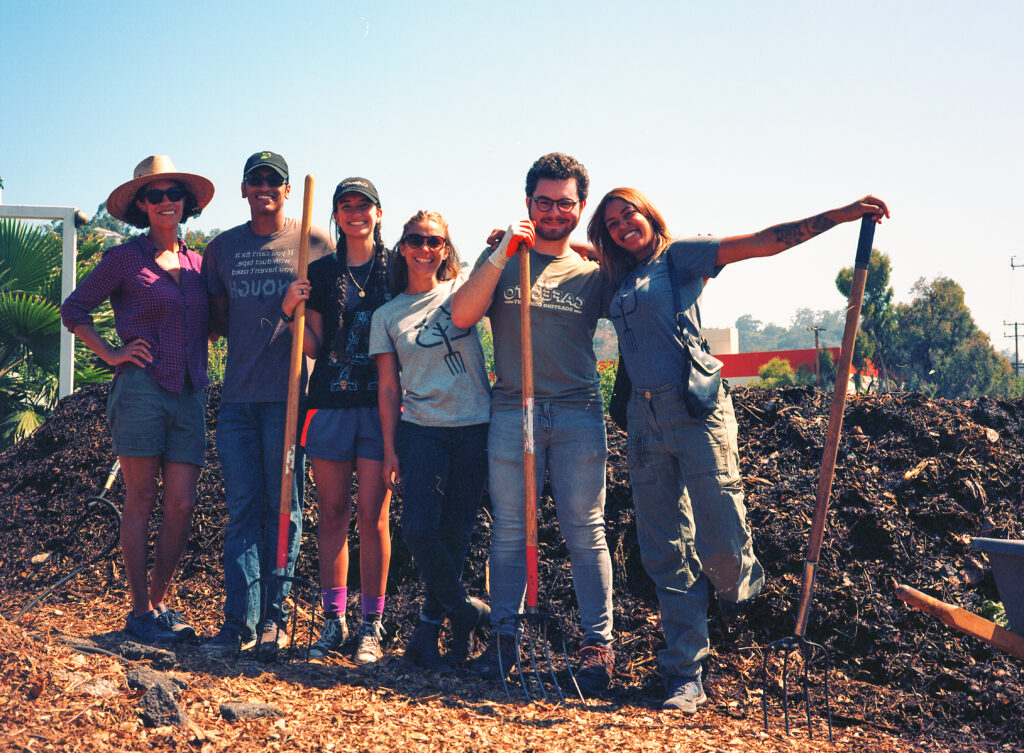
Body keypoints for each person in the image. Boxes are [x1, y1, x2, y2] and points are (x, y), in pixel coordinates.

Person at [586, 187, 890, 713]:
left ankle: (738, 605)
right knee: (662, 548)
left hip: (695, 413)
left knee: (722, 541)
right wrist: (515, 241)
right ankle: (686, 672)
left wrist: (838, 217)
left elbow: (763, 242)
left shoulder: (680, 256)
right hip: (642, 422)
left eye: (627, 213)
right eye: (610, 222)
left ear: (648, 213)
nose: (620, 225)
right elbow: (574, 253)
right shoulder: (616, 272)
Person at [450, 153, 616, 694]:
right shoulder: (502, 258)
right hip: (510, 408)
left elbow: (644, 272)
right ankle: (504, 638)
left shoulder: (593, 274)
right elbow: (461, 315)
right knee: (509, 529)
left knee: (584, 529)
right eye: (542, 201)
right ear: (527, 203)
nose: (552, 211)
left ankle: (598, 647)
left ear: (580, 207)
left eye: (564, 203)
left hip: (576, 411)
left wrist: (590, 246)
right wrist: (503, 249)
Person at [60, 155, 214, 644]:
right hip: (142, 390)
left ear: (186, 204)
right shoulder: (125, 258)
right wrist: (110, 352)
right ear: (142, 206)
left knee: (183, 504)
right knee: (142, 498)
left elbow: (215, 322)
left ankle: (158, 604)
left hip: (190, 391)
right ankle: (139, 611)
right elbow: (74, 307)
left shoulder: (198, 264)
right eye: (156, 195)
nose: (166, 201)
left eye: (174, 194)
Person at [200, 151, 333, 660]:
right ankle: (240, 621)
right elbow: (216, 322)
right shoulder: (223, 249)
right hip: (237, 400)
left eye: (273, 181)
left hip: (289, 399)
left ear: (286, 189)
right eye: (255, 180)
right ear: (243, 189)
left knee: (286, 510)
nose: (264, 188)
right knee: (242, 511)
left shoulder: (312, 243)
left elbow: (331, 317)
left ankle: (275, 619)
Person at [369, 211, 492, 670]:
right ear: (402, 247)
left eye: (434, 241)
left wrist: (501, 241)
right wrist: (389, 447)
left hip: (475, 426)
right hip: (421, 429)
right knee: (418, 528)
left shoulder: (462, 294)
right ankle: (466, 612)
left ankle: (429, 633)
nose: (425, 249)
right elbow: (387, 386)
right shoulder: (386, 315)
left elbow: (495, 270)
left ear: (445, 249)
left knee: (457, 533)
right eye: (416, 240)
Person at [281, 177, 393, 664]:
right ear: (336, 214)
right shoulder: (321, 272)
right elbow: (313, 346)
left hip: (380, 404)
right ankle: (335, 621)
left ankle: (372, 625)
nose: (355, 214)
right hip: (328, 404)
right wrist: (291, 311)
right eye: (345, 206)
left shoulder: (397, 267)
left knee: (373, 516)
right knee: (332, 514)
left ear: (379, 213)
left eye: (363, 206)